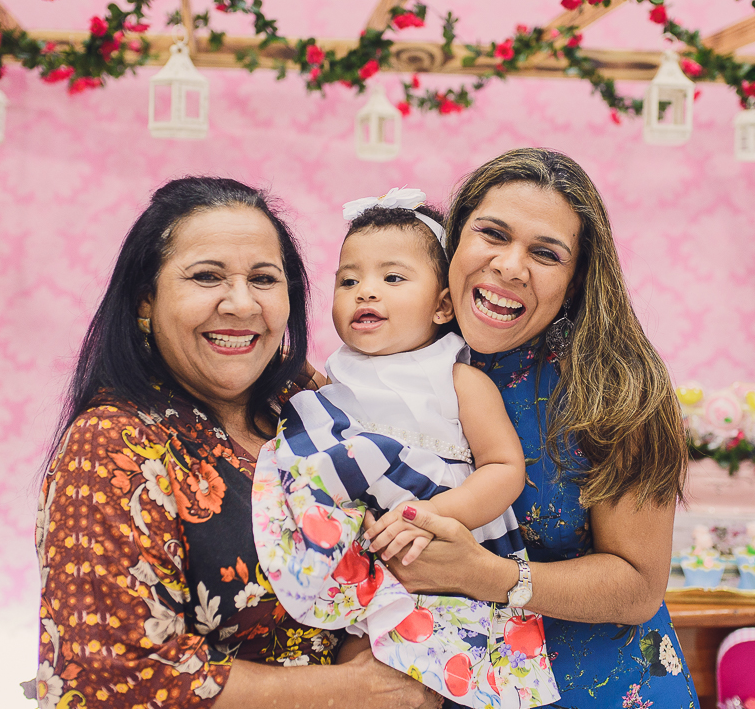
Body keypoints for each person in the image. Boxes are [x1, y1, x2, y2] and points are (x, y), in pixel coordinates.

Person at [35, 177, 439, 709]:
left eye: (265, 279)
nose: (242, 304)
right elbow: (110, 678)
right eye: (206, 276)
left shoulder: (302, 404)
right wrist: (351, 690)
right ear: (145, 302)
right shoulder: (114, 442)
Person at [365, 150, 700, 708]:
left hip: (599, 688)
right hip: (450, 685)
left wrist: (489, 575)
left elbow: (640, 587)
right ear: (453, 240)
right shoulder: (396, 352)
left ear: (575, 280)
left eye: (545, 253)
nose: (510, 266)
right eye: (492, 234)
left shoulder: (617, 389)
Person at [252, 190, 559, 709]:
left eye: (392, 279)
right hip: (368, 553)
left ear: (442, 304)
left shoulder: (455, 376)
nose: (364, 293)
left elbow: (504, 468)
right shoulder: (334, 376)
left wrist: (433, 514)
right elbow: (340, 432)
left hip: (444, 551)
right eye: (349, 280)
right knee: (364, 670)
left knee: (441, 674)